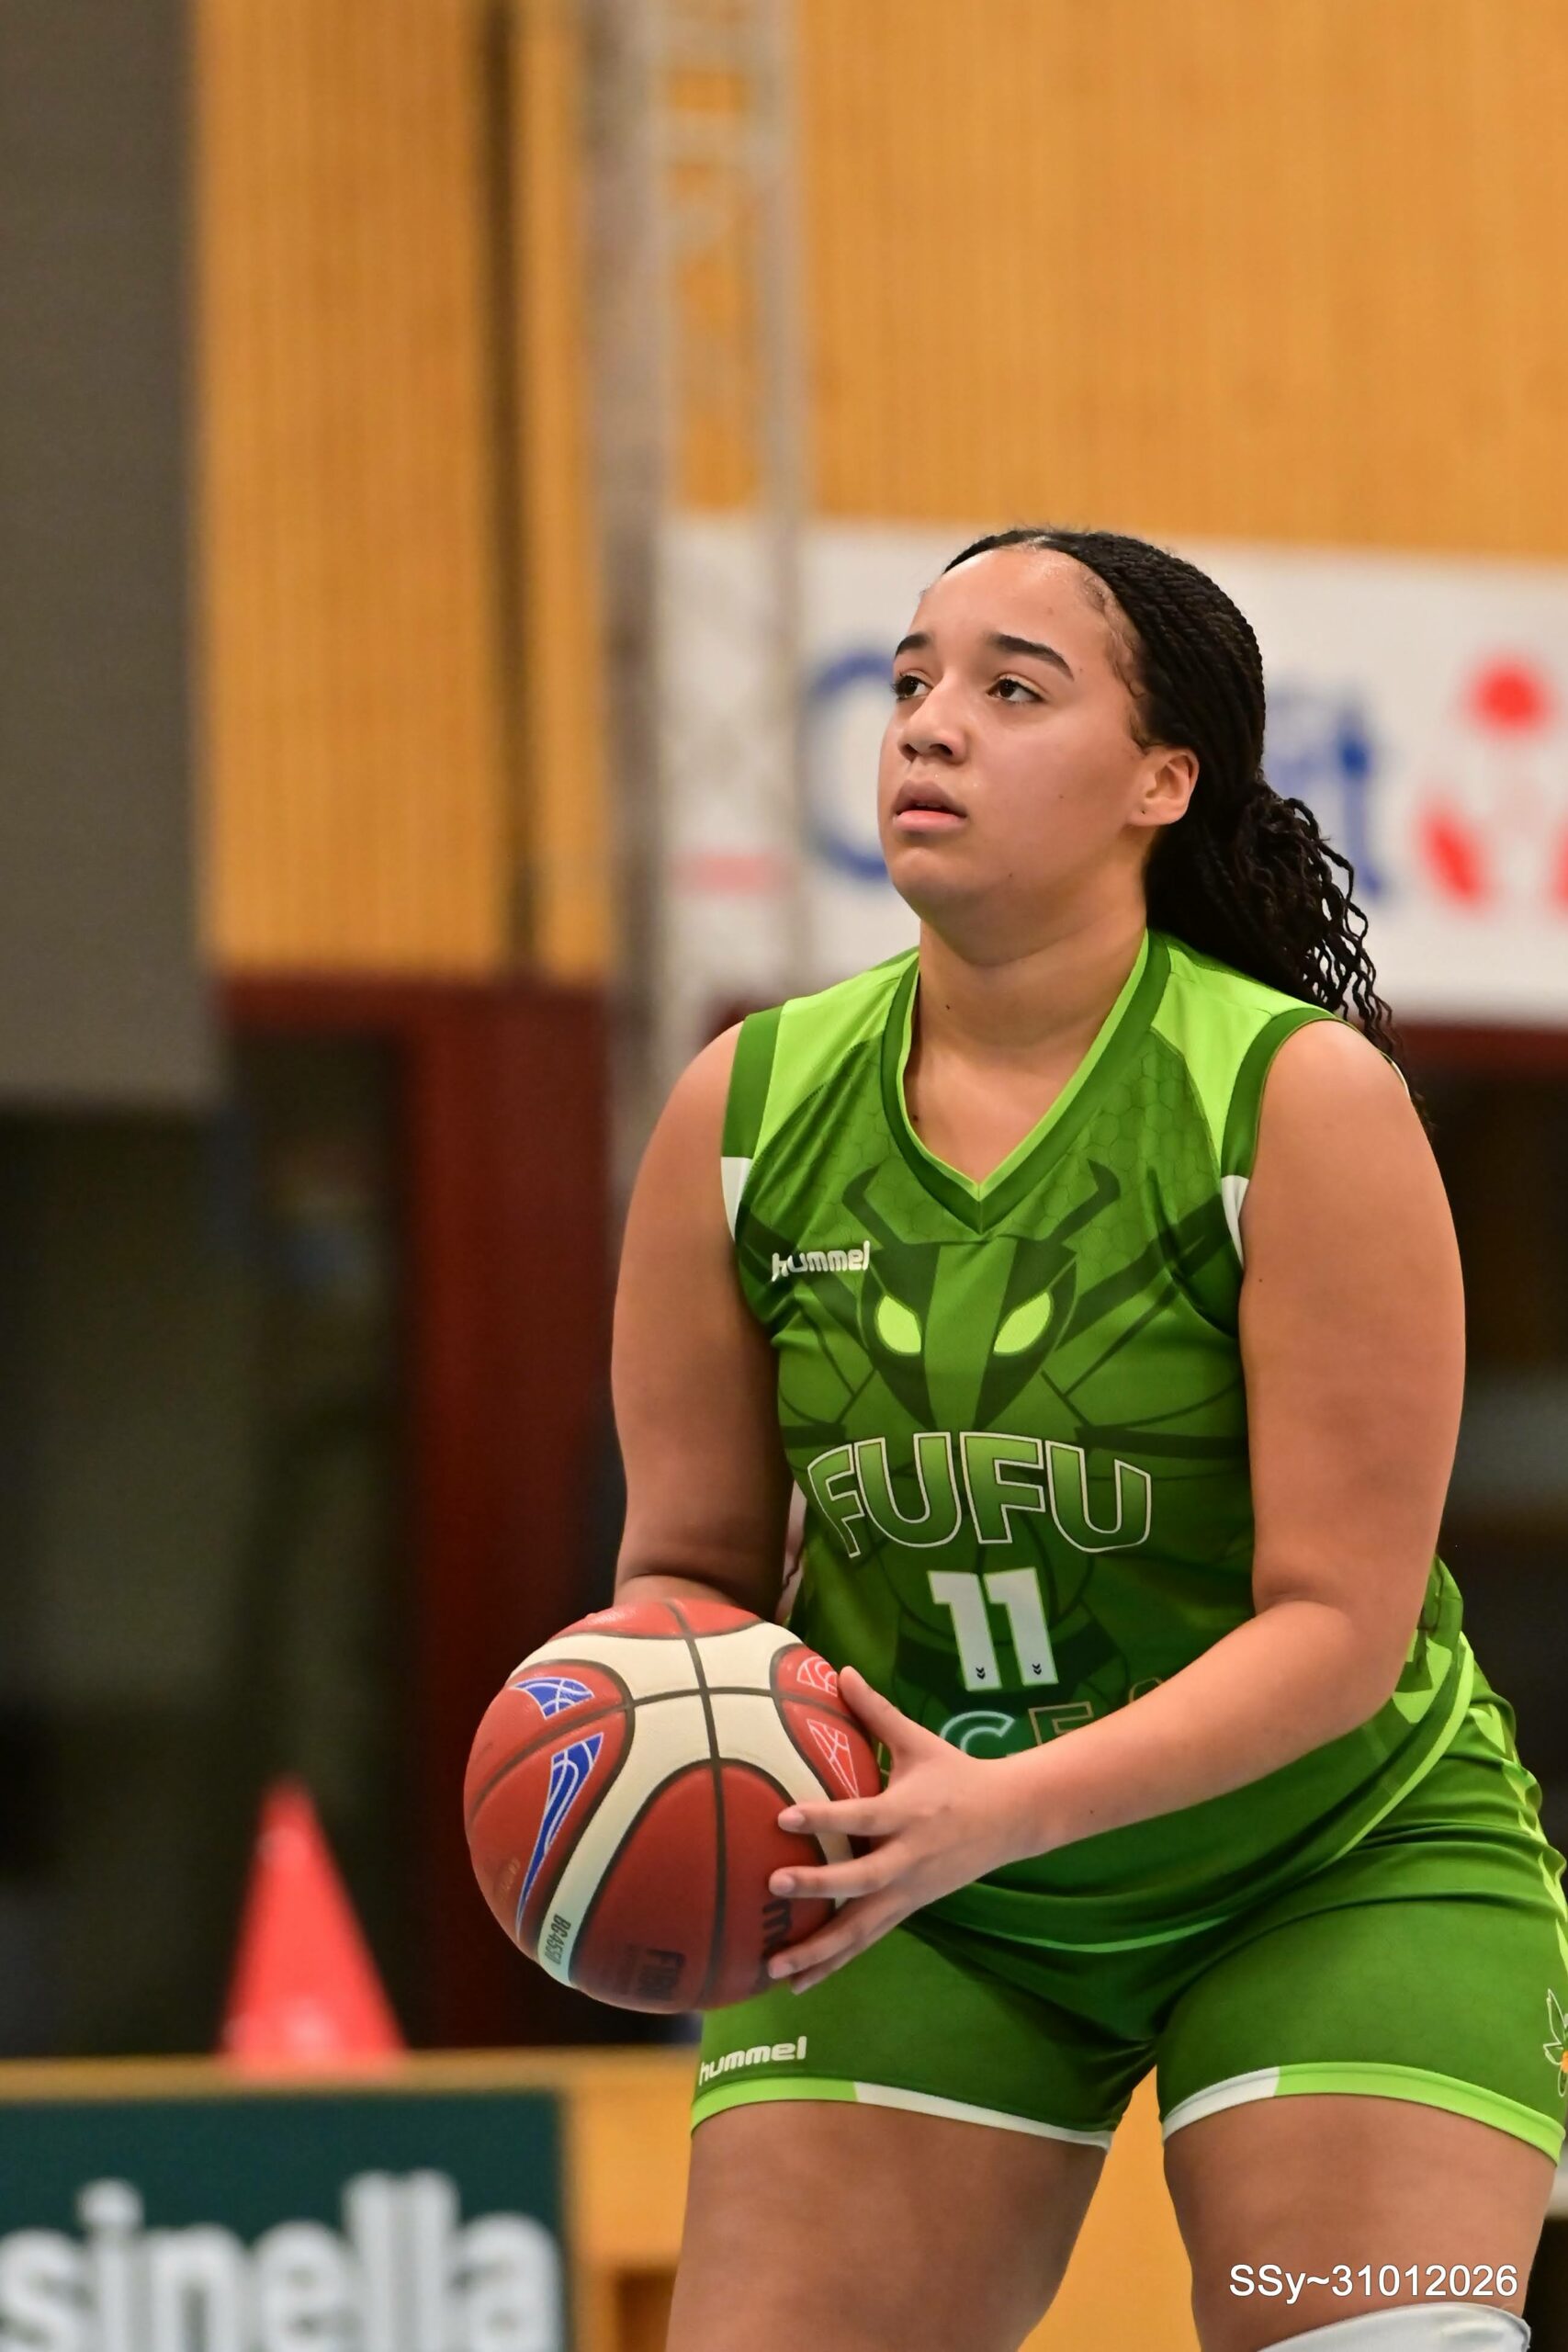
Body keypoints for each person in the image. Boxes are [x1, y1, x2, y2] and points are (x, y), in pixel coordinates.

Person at [609, 527, 1568, 2352]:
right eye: (909, 681)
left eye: (1009, 688)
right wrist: (627, 1768)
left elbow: (1337, 1624)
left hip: (1325, 1857)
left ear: (1160, 780)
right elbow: (686, 1572)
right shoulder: (741, 1108)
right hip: (912, 1885)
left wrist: (994, 1807)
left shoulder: (1294, 1097)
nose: (927, 724)